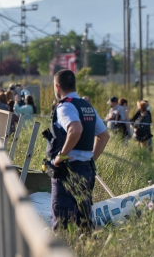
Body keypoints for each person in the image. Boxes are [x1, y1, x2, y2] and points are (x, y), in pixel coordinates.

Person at [46, 69, 109, 230]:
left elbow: (76, 129)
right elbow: (104, 136)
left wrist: (61, 156)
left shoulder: (65, 106)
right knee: (84, 222)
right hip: (86, 171)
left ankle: (65, 254)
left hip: (68, 172)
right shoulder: (87, 106)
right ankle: (83, 252)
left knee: (62, 224)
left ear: (57, 87)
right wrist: (90, 159)